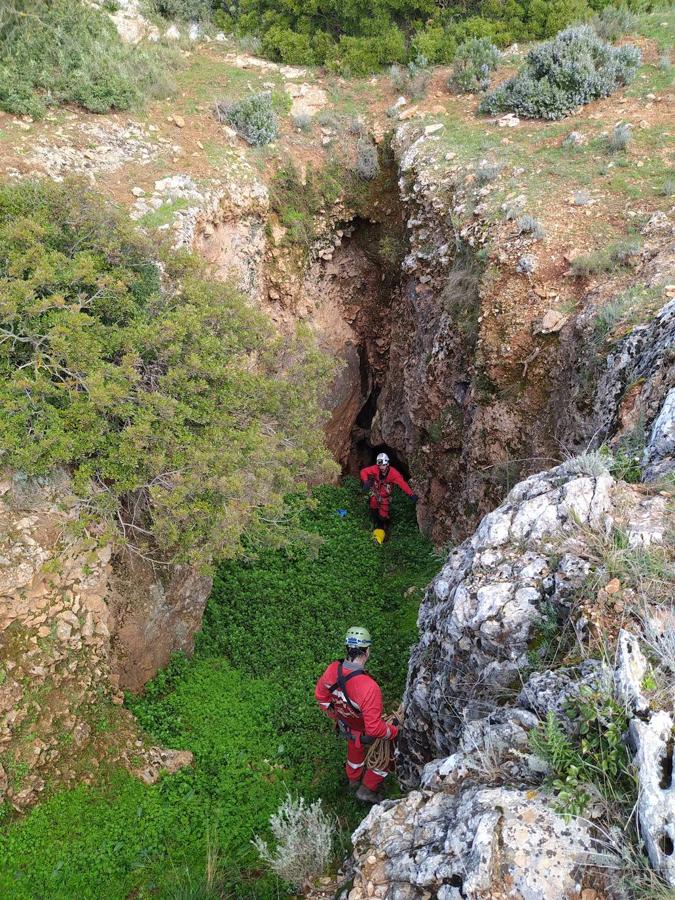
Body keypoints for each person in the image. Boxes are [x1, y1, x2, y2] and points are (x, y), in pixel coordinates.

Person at [315, 627, 398, 804]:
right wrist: (394, 732)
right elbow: (374, 728)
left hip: (347, 726)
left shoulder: (332, 670)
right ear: (367, 651)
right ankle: (367, 789)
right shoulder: (369, 688)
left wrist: (337, 715)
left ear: (347, 648)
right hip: (365, 730)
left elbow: (321, 696)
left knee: (354, 751)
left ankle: (353, 780)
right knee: (387, 751)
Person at [360, 452, 418, 541]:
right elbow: (363, 471)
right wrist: (366, 481)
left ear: (387, 464)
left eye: (383, 465)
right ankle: (377, 526)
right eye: (380, 465)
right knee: (373, 508)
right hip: (375, 493)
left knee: (383, 516)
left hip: (384, 497)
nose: (381, 467)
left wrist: (411, 494)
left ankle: (384, 525)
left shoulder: (394, 474)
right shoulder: (376, 468)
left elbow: (403, 484)